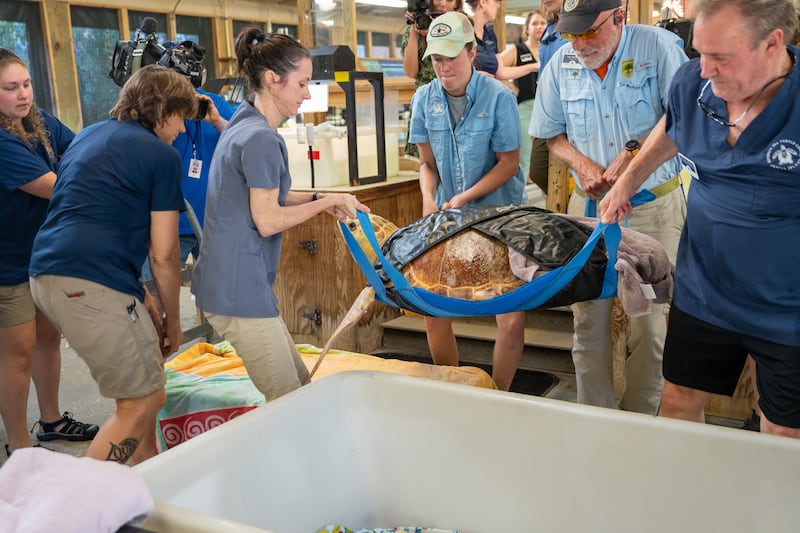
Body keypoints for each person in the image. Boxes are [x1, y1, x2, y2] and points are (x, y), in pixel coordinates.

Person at [600, 0, 800, 437]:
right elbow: (673, 126)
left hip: (787, 308)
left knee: (783, 432)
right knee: (677, 404)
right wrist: (627, 182)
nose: (705, 70)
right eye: (700, 53)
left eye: (721, 58)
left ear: (773, 44)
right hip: (705, 292)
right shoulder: (694, 81)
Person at [191, 29, 369, 402]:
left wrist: (323, 195)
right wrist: (323, 206)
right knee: (289, 401)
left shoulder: (243, 122)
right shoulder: (261, 139)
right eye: (303, 83)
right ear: (273, 80)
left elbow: (269, 196)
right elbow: (268, 219)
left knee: (300, 387)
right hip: (238, 291)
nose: (307, 93)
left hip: (232, 282)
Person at [30, 64, 195, 463]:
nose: (183, 130)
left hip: (47, 272)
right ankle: (82, 512)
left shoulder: (88, 136)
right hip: (88, 280)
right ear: (163, 110)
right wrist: (173, 320)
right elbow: (164, 254)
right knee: (143, 400)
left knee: (142, 394)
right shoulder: (161, 155)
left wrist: (139, 293)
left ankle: (148, 496)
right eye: (181, 118)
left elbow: (92, 218)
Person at [529, 0, 689, 414]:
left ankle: (641, 425)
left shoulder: (659, 48)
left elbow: (681, 117)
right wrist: (582, 166)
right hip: (595, 212)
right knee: (589, 324)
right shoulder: (561, 63)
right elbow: (552, 134)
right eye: (571, 32)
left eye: (589, 31)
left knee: (650, 329)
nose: (579, 44)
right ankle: (594, 420)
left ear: (620, 16)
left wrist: (634, 153)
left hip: (654, 208)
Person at [409, 11, 527, 391]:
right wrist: (429, 198)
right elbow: (427, 164)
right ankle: (456, 388)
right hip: (447, 216)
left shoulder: (499, 97)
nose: (444, 68)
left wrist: (465, 196)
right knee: (433, 310)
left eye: (451, 57)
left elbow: (509, 164)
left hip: (501, 215)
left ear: (472, 51)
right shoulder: (424, 99)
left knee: (510, 317)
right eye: (437, 60)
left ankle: (500, 395)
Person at [0, 48, 98, 457]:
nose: (23, 95)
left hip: (42, 253)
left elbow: (83, 156)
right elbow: (55, 185)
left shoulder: (40, 123)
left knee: (48, 337)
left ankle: (52, 420)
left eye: (26, 84)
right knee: (18, 350)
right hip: (6, 260)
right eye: (10, 88)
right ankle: (20, 443)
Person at [141, 41, 235, 283]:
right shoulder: (156, 112)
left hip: (213, 224)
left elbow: (244, 143)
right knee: (156, 292)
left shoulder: (215, 104)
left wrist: (216, 120)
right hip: (169, 228)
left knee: (223, 294)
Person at [401, 0, 462, 157]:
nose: (442, 3)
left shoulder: (462, 25)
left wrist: (436, 34)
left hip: (455, 99)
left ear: (456, 3)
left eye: (449, 0)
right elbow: (410, 71)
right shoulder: (417, 24)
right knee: (424, 160)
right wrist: (413, 30)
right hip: (426, 102)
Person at [498, 10, 547, 180]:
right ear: (527, 29)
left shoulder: (550, 48)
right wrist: (509, 86)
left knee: (548, 160)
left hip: (548, 109)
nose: (539, 26)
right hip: (526, 108)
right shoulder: (518, 50)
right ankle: (521, 202)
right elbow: (494, 68)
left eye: (542, 23)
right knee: (526, 158)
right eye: (534, 23)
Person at [528, 0, 568, 195]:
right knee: (538, 170)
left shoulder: (581, 25)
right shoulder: (550, 28)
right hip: (550, 112)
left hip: (574, 112)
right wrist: (538, 119)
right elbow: (542, 79)